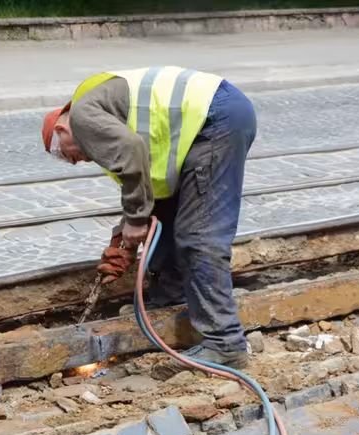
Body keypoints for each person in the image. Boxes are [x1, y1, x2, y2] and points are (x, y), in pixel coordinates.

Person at [41, 66, 257, 379]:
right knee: (166, 219)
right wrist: (126, 232)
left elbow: (132, 152)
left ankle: (225, 343)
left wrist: (135, 219)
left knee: (199, 236)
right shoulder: (103, 116)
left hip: (215, 117)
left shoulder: (82, 117)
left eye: (67, 155)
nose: (78, 161)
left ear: (62, 129)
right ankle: (171, 300)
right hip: (211, 118)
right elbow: (149, 187)